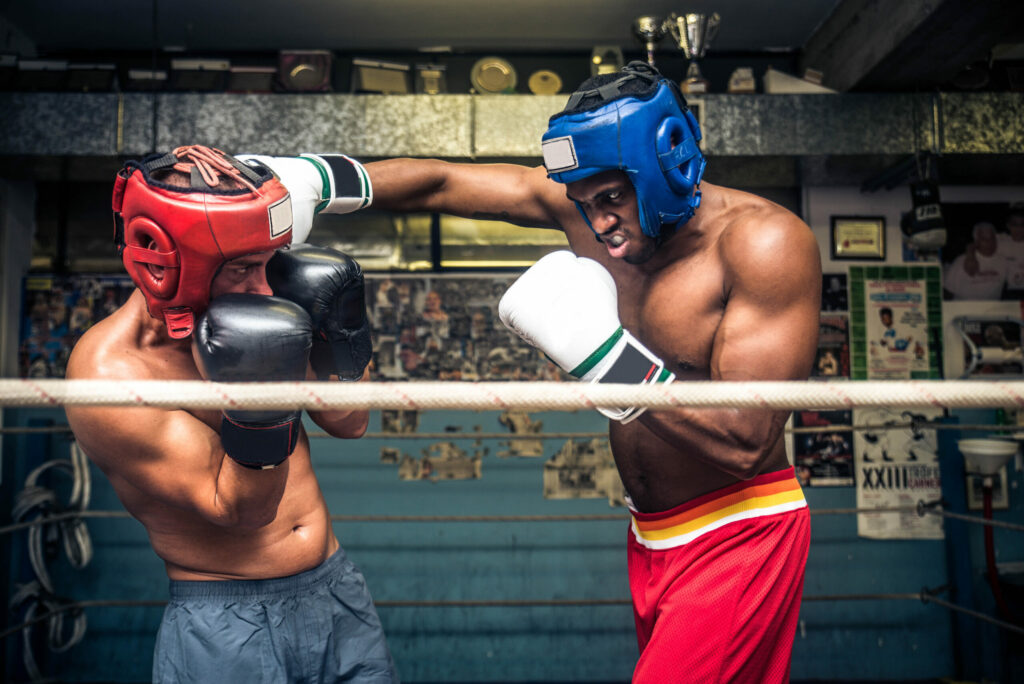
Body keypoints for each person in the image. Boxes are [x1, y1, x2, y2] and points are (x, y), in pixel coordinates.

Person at [285, 61, 819, 683]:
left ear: (666, 165)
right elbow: (441, 182)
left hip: (739, 532)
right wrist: (311, 181)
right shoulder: (593, 213)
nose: (598, 224)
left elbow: (746, 441)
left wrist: (608, 361)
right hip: (651, 535)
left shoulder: (762, 243)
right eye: (581, 203)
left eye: (612, 198)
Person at [64, 145, 398, 683]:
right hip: (227, 620)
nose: (264, 288)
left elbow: (349, 422)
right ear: (171, 265)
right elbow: (244, 510)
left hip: (335, 587)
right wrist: (261, 392)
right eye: (243, 268)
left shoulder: (260, 303)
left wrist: (341, 335)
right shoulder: (110, 375)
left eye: (268, 263)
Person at [944, 220, 1007, 300]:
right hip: (964, 307)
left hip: (992, 307)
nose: (989, 242)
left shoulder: (1003, 261)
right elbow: (948, 292)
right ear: (976, 241)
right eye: (984, 239)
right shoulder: (961, 261)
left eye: (992, 238)